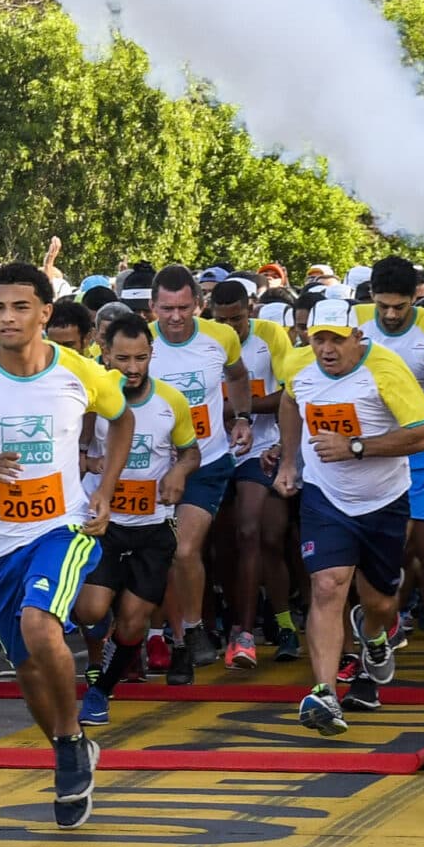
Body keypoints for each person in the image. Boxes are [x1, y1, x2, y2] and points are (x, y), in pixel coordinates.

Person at [0, 263, 130, 829]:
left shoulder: (80, 372)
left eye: (20, 307)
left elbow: (122, 419)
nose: (6, 318)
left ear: (46, 312)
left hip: (62, 528)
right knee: (28, 672)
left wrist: (105, 492)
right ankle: (71, 740)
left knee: (42, 625)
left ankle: (67, 753)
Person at [273, 298, 424, 734]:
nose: (326, 349)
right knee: (326, 586)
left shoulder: (385, 369)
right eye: (318, 338)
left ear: (357, 336)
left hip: (383, 499)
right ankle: (324, 693)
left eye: (336, 340)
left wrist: (356, 446)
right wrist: (290, 461)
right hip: (326, 496)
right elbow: (289, 401)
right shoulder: (298, 365)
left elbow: (423, 435)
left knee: (380, 600)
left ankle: (376, 635)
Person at [76, 315, 198, 725]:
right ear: (104, 353)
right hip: (103, 523)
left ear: (152, 355)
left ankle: (100, 690)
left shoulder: (171, 401)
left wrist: (179, 472)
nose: (132, 367)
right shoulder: (88, 399)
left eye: (141, 358)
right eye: (122, 358)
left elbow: (190, 451)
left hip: (152, 526)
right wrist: (87, 462)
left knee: (132, 624)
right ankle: (98, 642)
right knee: (91, 611)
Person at [356, 256, 424, 673]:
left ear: (416, 300)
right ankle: (375, 636)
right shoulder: (356, 323)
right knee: (381, 552)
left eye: (399, 307)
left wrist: (381, 406)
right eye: (382, 305)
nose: (389, 315)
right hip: (370, 448)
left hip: (420, 449)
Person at [147, 264, 252, 680]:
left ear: (199, 304)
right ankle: (177, 636)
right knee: (164, 555)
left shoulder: (220, 337)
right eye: (166, 309)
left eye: (184, 308)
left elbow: (239, 376)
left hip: (207, 460)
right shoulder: (139, 343)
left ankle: (188, 636)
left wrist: (242, 416)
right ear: (152, 306)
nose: (175, 317)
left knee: (185, 550)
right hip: (155, 467)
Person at [207, 278, 300, 666]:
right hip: (213, 453)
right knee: (222, 543)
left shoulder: (270, 336)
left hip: (260, 450)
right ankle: (232, 621)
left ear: (251, 310)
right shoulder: (205, 340)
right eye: (223, 320)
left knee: (259, 533)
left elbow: (290, 392)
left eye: (239, 319)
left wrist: (239, 409)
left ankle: (278, 624)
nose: (232, 328)